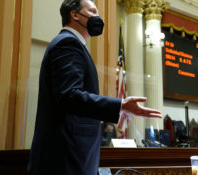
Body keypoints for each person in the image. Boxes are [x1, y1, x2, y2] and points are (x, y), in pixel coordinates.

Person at [27, 0, 162, 175]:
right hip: (65, 159)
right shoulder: (67, 43)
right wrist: (120, 105)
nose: (98, 17)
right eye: (92, 11)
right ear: (74, 15)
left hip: (73, 156)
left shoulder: (74, 45)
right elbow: (70, 96)